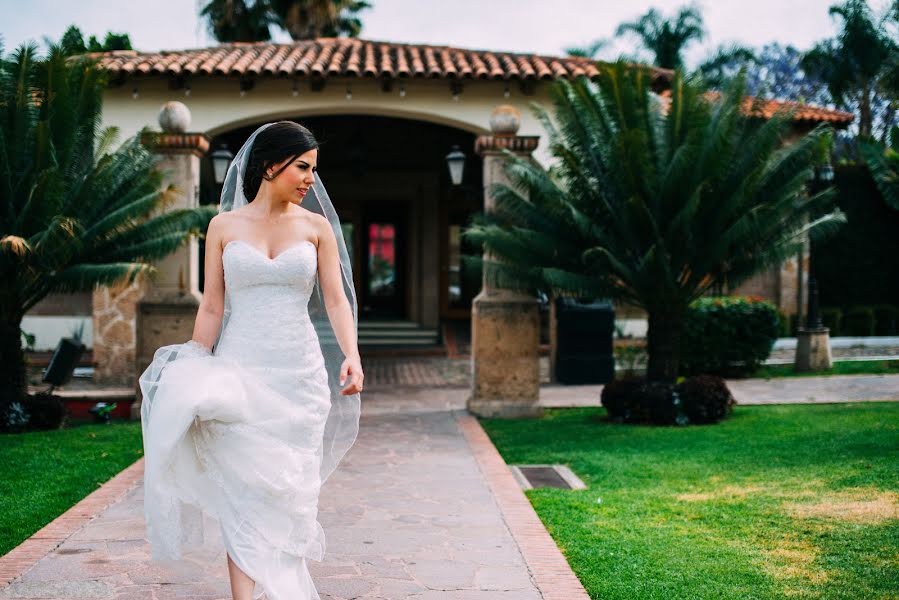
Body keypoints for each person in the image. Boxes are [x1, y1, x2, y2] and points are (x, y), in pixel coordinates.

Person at [138, 121, 363, 600]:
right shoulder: (222, 227)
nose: (309, 179)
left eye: (313, 170)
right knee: (240, 493)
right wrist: (195, 365)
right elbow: (212, 306)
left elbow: (337, 300)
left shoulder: (316, 228)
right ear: (269, 165)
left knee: (290, 491)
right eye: (302, 167)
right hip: (240, 369)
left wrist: (352, 355)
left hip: (298, 378)